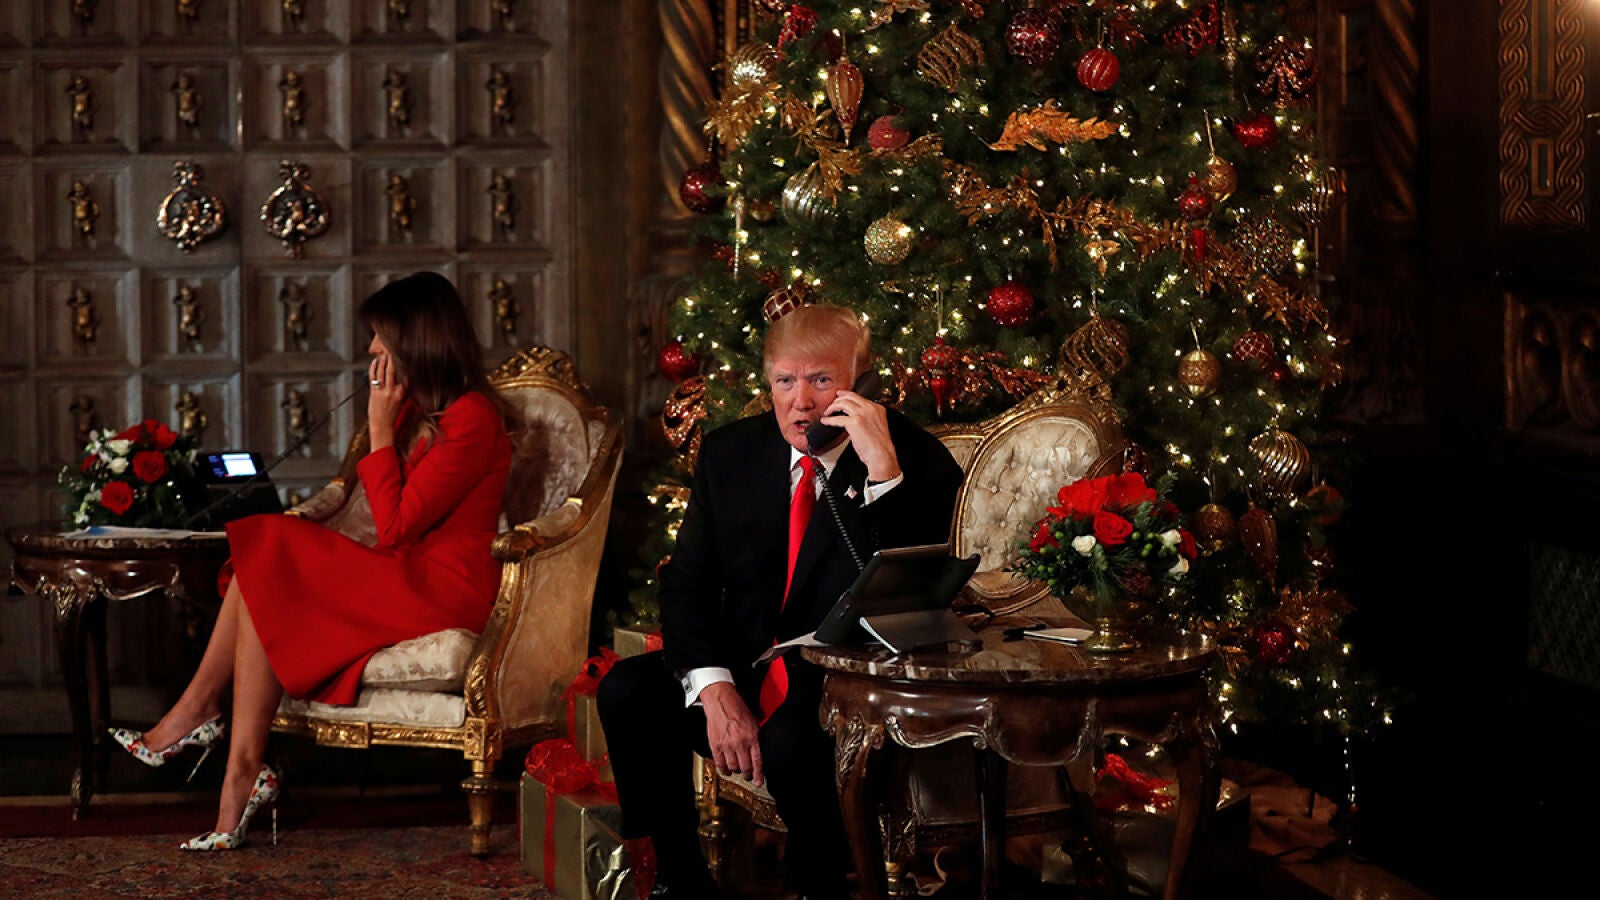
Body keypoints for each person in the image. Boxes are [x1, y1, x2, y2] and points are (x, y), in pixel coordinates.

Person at [109, 272, 513, 851]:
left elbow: (396, 528)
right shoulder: (418, 412)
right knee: (264, 561)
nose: (371, 350)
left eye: (380, 338)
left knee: (269, 545)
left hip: (447, 588)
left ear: (416, 341)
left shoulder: (473, 417)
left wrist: (379, 430)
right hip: (404, 574)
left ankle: (204, 722)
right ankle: (235, 767)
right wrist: (388, 425)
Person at [598, 304, 964, 899]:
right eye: (785, 381)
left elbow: (915, 591)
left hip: (844, 674)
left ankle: (819, 884)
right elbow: (686, 583)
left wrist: (882, 474)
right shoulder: (729, 453)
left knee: (793, 740)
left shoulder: (913, 458)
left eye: (822, 380)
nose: (802, 402)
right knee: (628, 690)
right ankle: (680, 878)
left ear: (862, 383)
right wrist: (714, 689)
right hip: (748, 662)